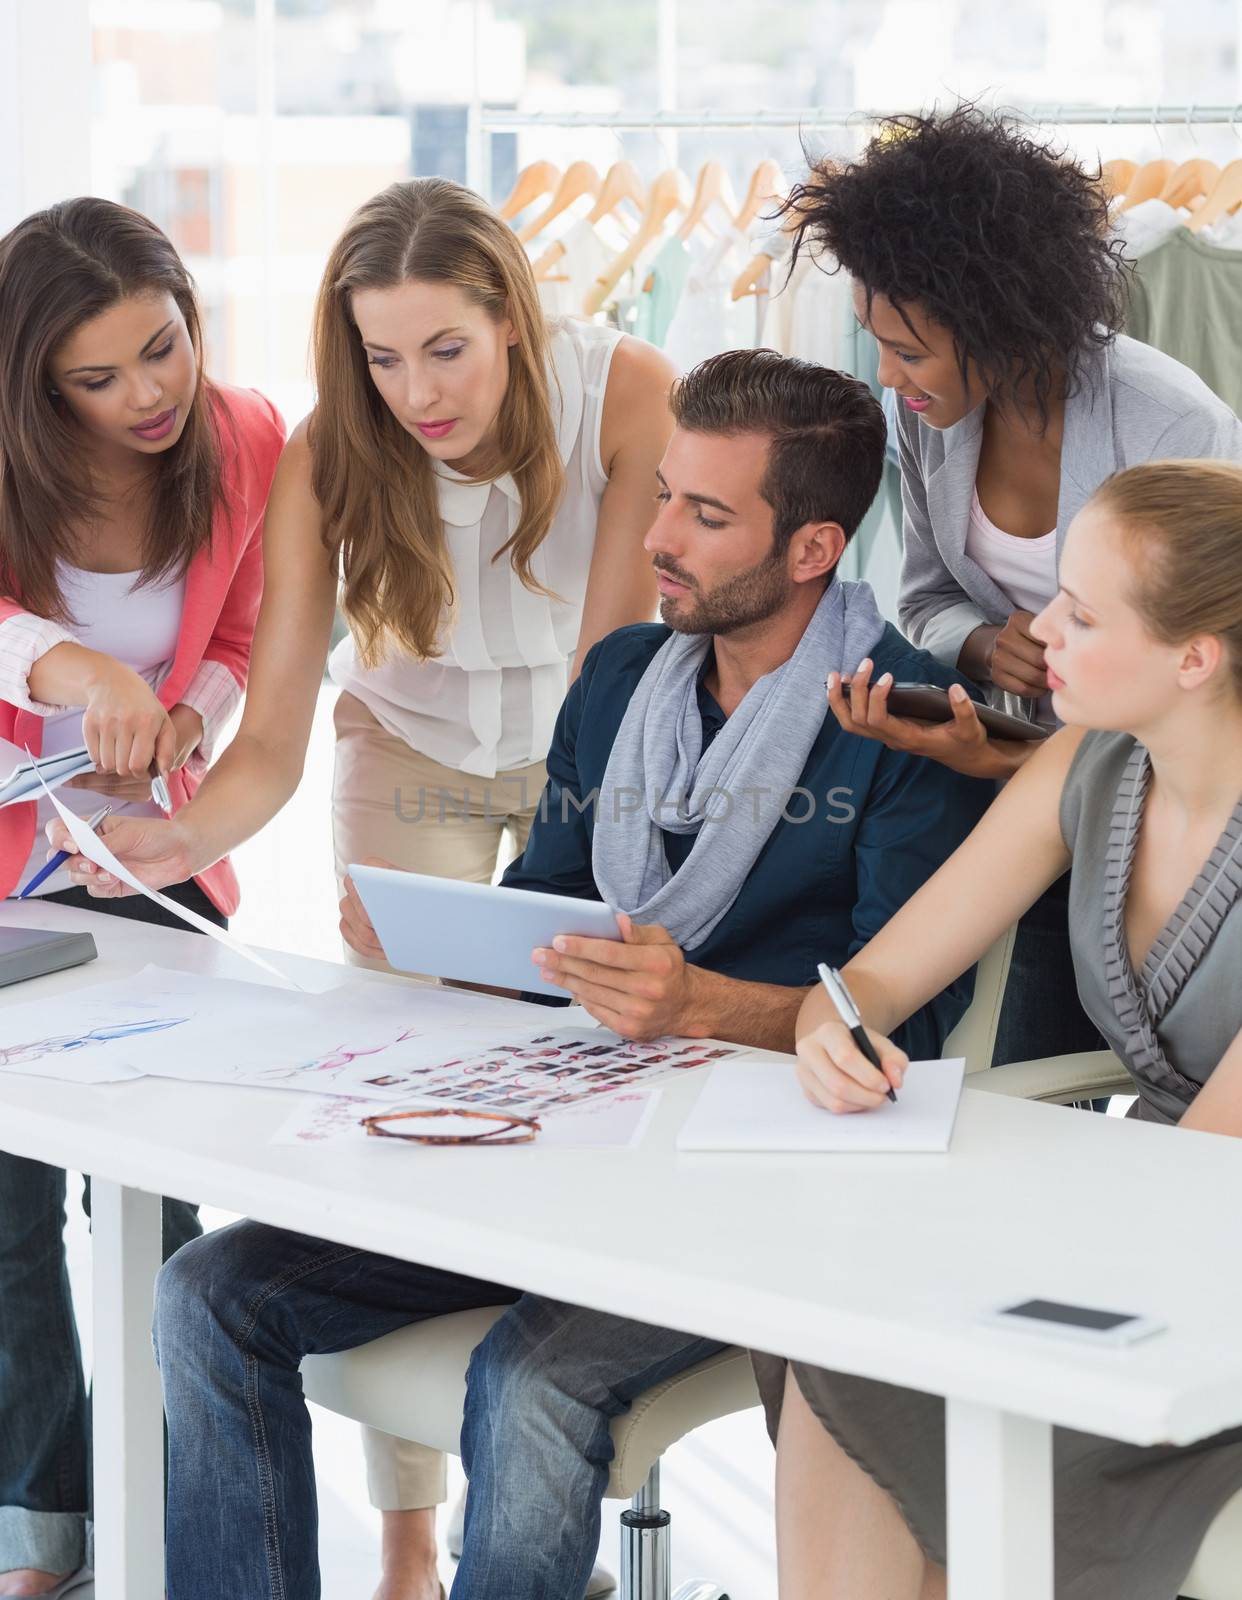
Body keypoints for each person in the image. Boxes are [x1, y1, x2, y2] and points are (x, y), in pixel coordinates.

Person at [148, 349, 992, 1600]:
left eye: (706, 516)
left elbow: (903, 1023)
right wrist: (436, 941)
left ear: (813, 548)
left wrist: (699, 1004)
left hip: (744, 1187)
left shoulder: (901, 714)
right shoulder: (619, 679)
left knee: (531, 1383)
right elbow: (545, 910)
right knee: (206, 1292)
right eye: (662, 495)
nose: (658, 536)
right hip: (558, 1138)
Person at [45, 174, 674, 1595]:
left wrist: (546, 930)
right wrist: (177, 837)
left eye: (443, 348)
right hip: (414, 740)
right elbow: (267, 737)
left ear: (510, 315)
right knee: (403, 1109)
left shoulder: (625, 390)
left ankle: (544, 1424)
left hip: (591, 742)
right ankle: (402, 1531)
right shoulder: (334, 450)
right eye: (382, 357)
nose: (416, 392)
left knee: (569, 1052)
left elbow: (613, 681)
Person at [765, 459, 1242, 1600]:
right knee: (843, 1350)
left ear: (1194, 656)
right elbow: (876, 976)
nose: (1041, 631)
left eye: (1083, 612)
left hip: (1208, 1255)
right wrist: (834, 1027)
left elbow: (1196, 1183)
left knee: (912, 1354)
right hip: (1152, 1222)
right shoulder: (1091, 761)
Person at [780, 105, 1242, 1068]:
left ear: (1000, 325)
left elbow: (1208, 627)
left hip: (1132, 767)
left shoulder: (1169, 427)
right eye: (876, 341)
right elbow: (926, 598)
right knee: (1010, 1043)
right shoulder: (927, 414)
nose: (887, 375)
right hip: (1039, 772)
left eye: (909, 351)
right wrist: (988, 650)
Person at [0, 198, 283, 1598]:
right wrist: (75, 670)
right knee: (4, 1215)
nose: (144, 396)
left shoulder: (243, 435)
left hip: (153, 866)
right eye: (95, 380)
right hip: (9, 888)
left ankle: (173, 1510)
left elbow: (237, 631)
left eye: (158, 352)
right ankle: (42, 1521)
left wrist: (187, 719)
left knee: (162, 1211)